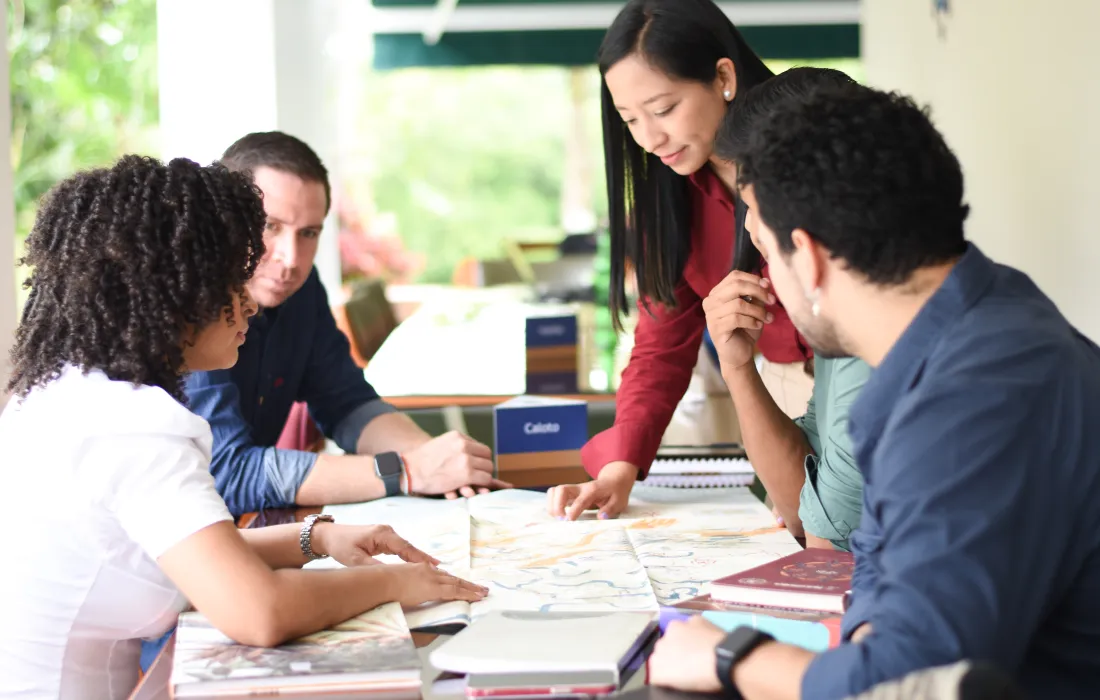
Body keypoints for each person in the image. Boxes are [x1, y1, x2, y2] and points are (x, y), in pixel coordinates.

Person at [647, 84, 1100, 697]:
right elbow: (880, 592)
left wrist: (732, 657)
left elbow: (908, 679)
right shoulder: (973, 324)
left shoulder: (972, 399)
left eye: (763, 245)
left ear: (805, 258)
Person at [0, 156, 487, 700]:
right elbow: (259, 612)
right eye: (232, 281)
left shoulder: (73, 392)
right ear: (171, 293)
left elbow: (196, 557)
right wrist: (398, 583)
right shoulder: (133, 429)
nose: (248, 304)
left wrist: (317, 537)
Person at [547, 0, 813, 522]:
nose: (648, 139)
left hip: (865, 382)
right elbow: (661, 342)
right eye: (629, 120)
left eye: (664, 109)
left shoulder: (815, 155)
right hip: (776, 398)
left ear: (723, 77)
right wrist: (621, 462)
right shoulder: (668, 200)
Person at [185, 132, 509, 517]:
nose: (290, 258)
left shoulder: (301, 292)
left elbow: (347, 403)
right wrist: (407, 471)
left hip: (244, 531)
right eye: (271, 226)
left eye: (308, 233)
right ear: (224, 218)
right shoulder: (188, 308)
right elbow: (226, 475)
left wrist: (438, 462)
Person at [703, 67, 871, 550]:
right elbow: (801, 509)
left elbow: (828, 570)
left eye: (754, 208)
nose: (750, 232)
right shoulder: (844, 332)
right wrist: (736, 365)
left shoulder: (875, 355)